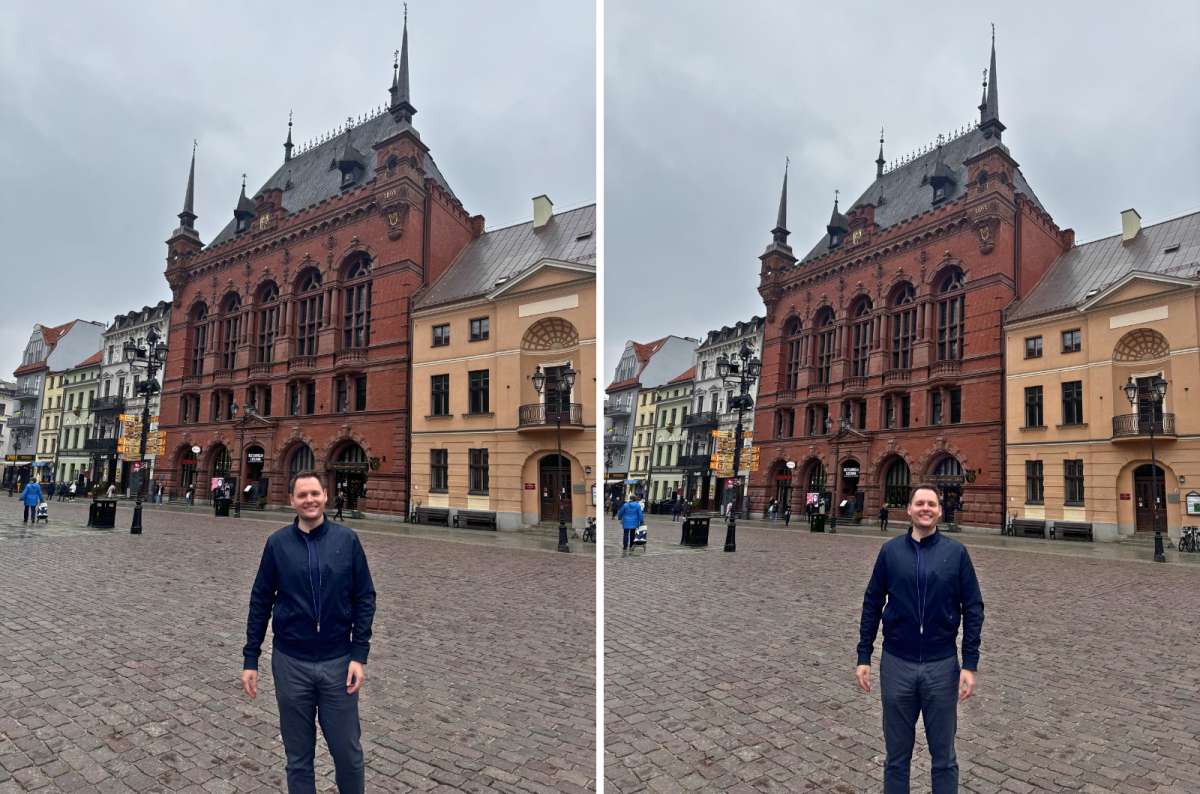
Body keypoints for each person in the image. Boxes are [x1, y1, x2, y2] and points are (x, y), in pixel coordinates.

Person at [242, 470, 376, 794]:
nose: (309, 500)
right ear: (292, 501)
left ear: (326, 496)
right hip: (291, 663)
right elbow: (260, 600)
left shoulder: (347, 540)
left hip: (338, 663)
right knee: (298, 756)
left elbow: (365, 597)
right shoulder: (277, 544)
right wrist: (251, 658)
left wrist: (359, 654)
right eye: (302, 495)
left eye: (314, 493)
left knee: (348, 754)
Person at [856, 484, 984, 793]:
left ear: (940, 511)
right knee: (896, 758)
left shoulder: (956, 553)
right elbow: (872, 603)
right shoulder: (890, 552)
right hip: (897, 663)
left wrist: (969, 664)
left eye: (932, 504)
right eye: (920, 503)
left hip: (942, 665)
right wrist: (864, 656)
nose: (925, 508)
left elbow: (974, 607)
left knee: (944, 757)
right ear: (910, 510)